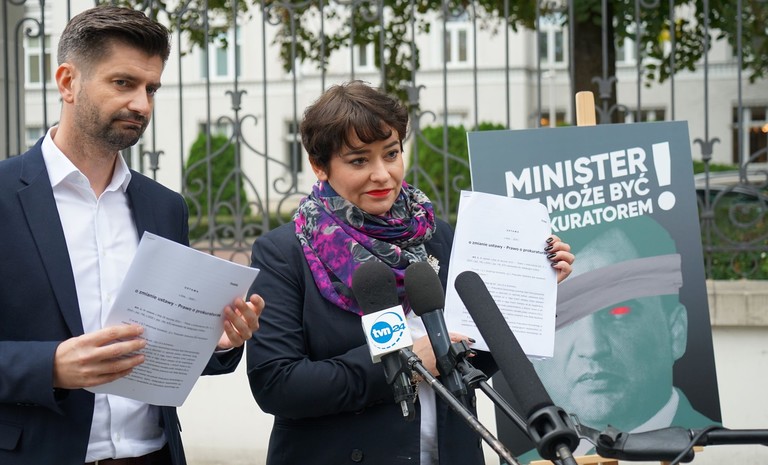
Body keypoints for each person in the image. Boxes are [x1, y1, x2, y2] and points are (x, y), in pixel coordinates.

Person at [245, 80, 574, 465]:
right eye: (359, 161)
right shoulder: (284, 253)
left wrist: (535, 287)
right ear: (320, 166)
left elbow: (476, 359)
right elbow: (278, 384)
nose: (382, 174)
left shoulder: (437, 236)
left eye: (391, 153)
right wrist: (403, 363)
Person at [0, 6, 264, 465]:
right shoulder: (4, 196)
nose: (142, 105)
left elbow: (167, 352)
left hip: (155, 455)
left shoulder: (165, 207)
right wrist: (51, 367)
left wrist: (217, 341)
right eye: (123, 83)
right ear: (67, 82)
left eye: (151, 89)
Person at [516, 215, 717, 461]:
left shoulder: (722, 449)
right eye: (561, 317)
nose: (592, 347)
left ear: (676, 331)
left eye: (619, 312)